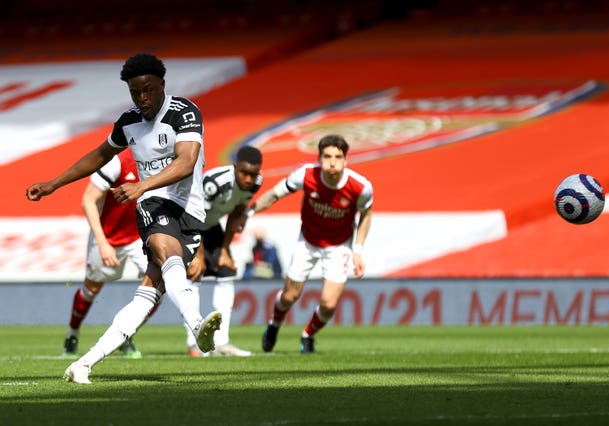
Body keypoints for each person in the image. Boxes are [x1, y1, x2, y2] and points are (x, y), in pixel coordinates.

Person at [26, 53, 221, 384]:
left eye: (148, 90)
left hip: (190, 210)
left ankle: (83, 364)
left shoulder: (184, 113)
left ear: (162, 85)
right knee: (166, 252)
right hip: (154, 204)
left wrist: (141, 183)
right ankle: (196, 321)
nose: (142, 98)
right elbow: (100, 155)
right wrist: (53, 183)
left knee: (148, 293)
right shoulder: (128, 121)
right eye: (135, 92)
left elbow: (187, 162)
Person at [235, 134, 373, 354]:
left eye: (338, 157)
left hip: (339, 245)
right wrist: (249, 212)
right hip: (308, 242)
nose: (332, 162)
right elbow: (274, 195)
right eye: (327, 156)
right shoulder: (306, 175)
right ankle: (274, 324)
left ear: (346, 160)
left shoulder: (360, 187)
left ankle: (307, 335)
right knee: (289, 296)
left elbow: (366, 215)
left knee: (328, 304)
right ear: (319, 158)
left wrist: (358, 250)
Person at [63, 149, 159, 359]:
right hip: (107, 236)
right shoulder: (117, 162)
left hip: (138, 237)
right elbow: (88, 200)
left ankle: (125, 334)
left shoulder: (160, 160)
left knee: (159, 287)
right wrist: (103, 243)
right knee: (92, 289)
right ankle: (72, 334)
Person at [184, 145, 262, 357]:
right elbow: (195, 216)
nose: (248, 179)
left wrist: (225, 250)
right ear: (235, 167)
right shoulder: (214, 183)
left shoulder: (256, 183)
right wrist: (198, 256)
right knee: (194, 274)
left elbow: (236, 213)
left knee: (226, 272)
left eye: (253, 174)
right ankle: (194, 344)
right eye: (244, 173)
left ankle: (222, 342)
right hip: (188, 226)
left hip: (211, 226)